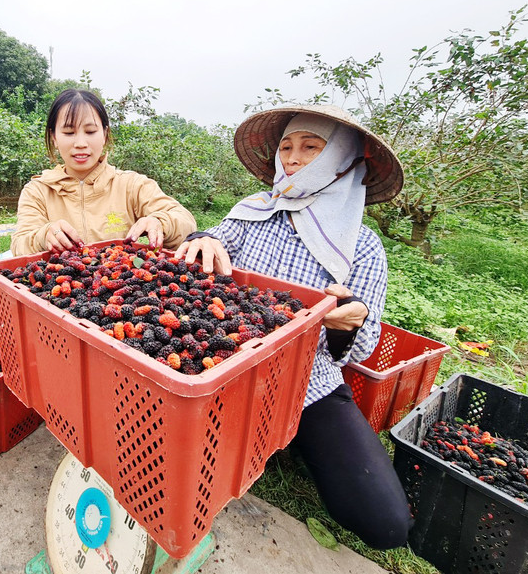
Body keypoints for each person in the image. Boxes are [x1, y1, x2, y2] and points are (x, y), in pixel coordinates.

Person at [174, 105, 411, 550]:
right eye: (285, 147)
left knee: (386, 524)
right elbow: (214, 241)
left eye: (310, 147)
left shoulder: (362, 246)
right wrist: (200, 239)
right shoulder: (253, 212)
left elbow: (362, 348)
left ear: (341, 158)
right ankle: (256, 436)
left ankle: (290, 435)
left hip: (308, 382)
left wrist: (346, 323)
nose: (293, 158)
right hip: (228, 368)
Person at [10, 89, 196, 256]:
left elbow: (186, 223)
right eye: (69, 132)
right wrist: (44, 236)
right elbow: (20, 245)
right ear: (54, 137)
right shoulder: (38, 191)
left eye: (90, 131)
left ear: (105, 134)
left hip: (117, 282)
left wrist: (160, 222)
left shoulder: (131, 185)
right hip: (56, 283)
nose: (80, 143)